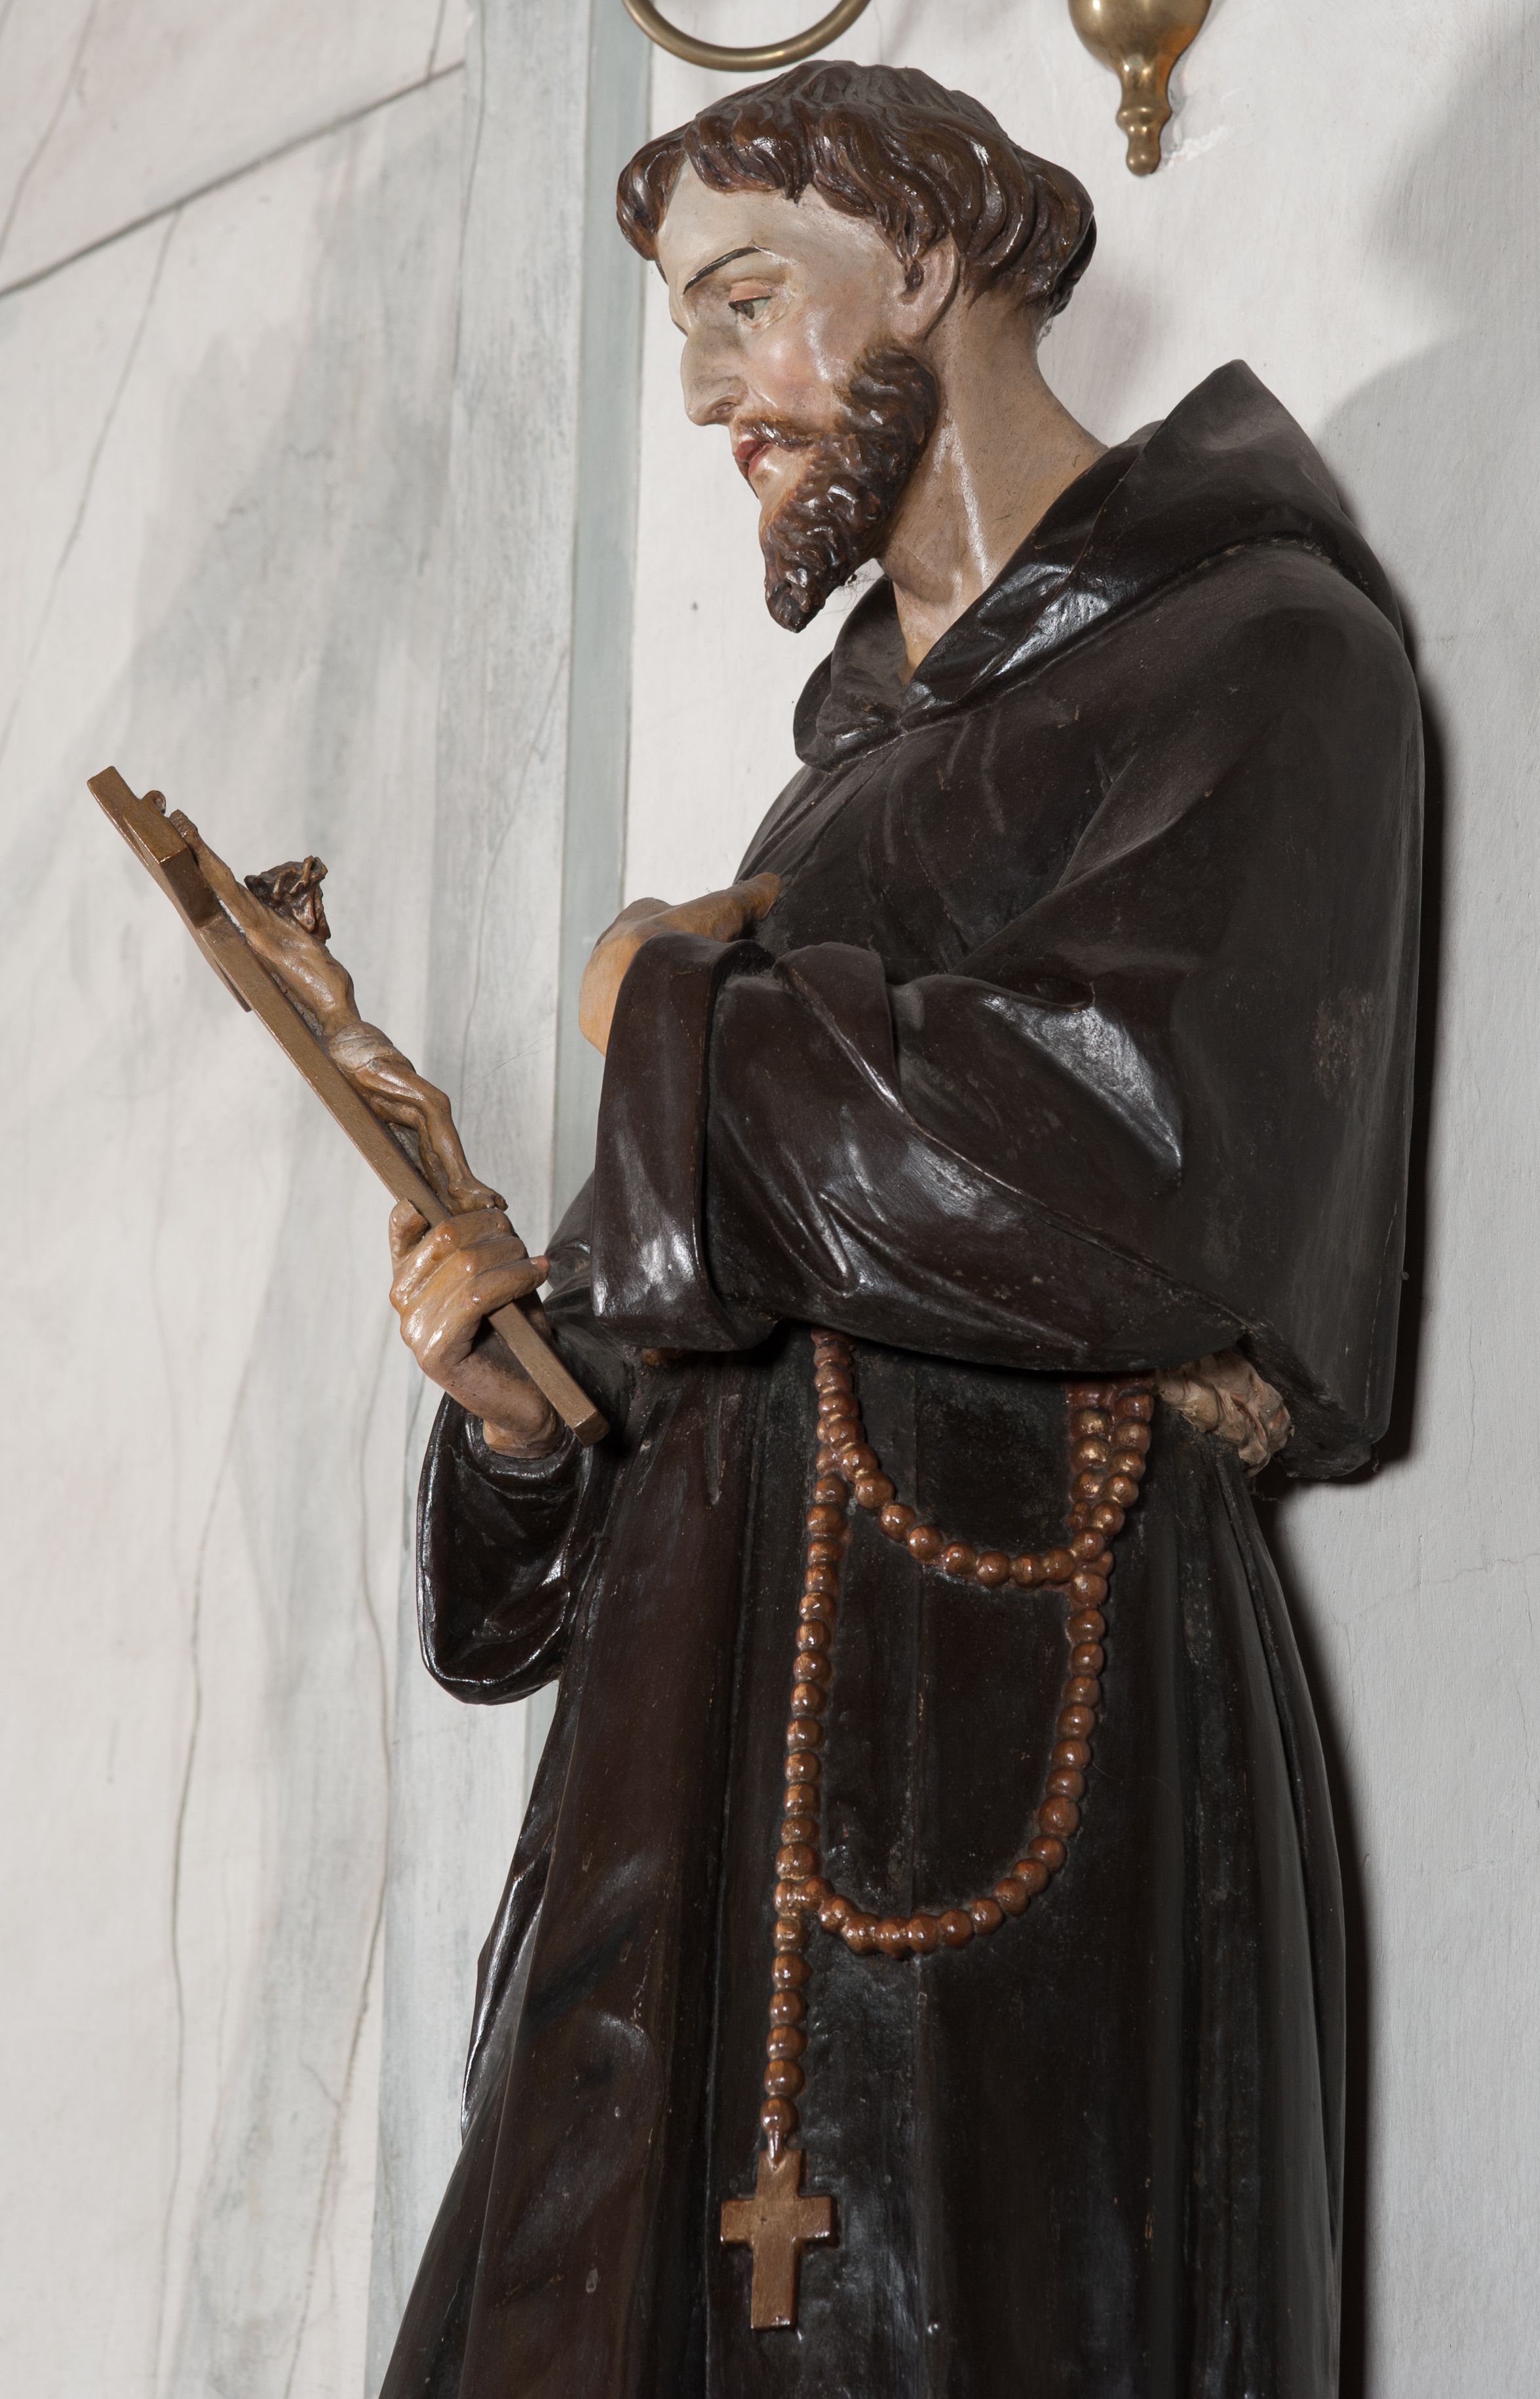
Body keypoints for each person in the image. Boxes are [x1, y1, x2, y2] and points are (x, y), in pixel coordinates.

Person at [378, 62, 1421, 2396]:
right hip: (679, 1768)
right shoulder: (821, 809)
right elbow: (695, 1282)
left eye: (748, 303)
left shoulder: (1265, 657)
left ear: (930, 266)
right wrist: (528, 1414)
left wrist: (668, 1019)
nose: (709, 394)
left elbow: (1127, 1164)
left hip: (1003, 1694)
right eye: (685, 330)